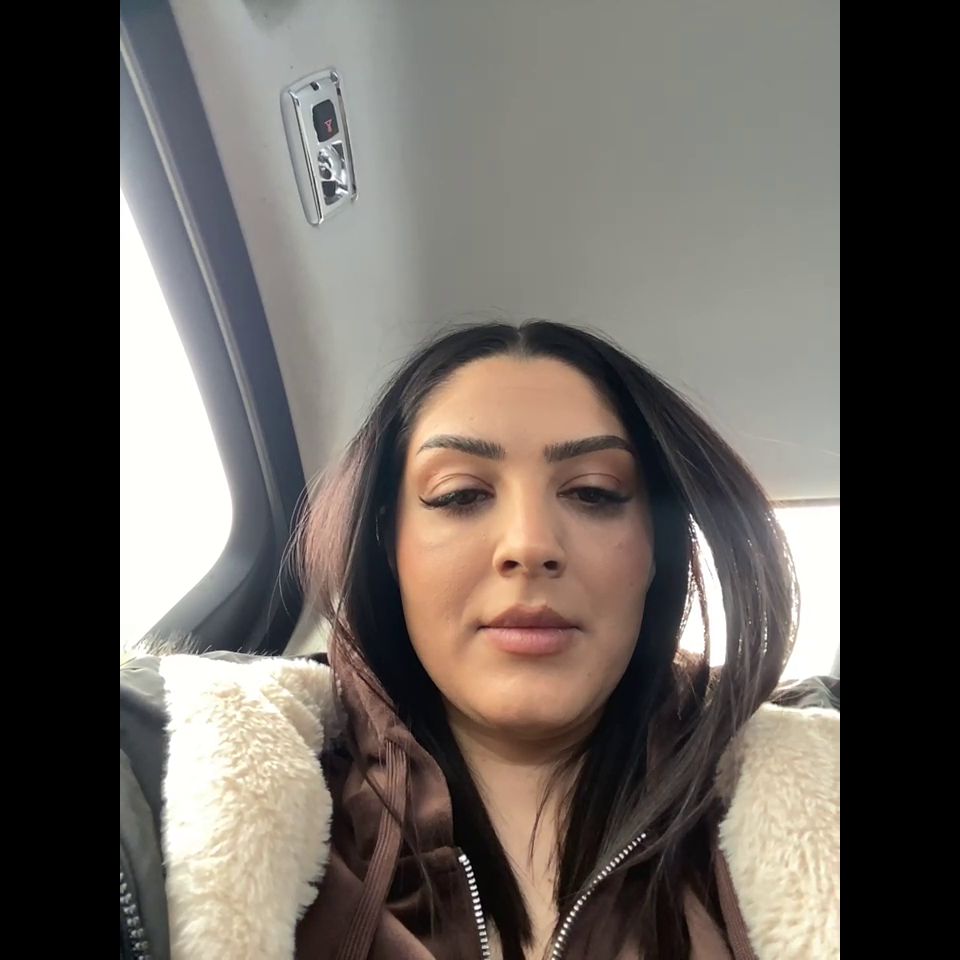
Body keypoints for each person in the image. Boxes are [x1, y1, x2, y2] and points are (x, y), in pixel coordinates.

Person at [120, 320, 839, 960]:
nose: (529, 545)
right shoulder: (181, 777)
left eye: (594, 491)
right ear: (388, 545)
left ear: (658, 550)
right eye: (460, 494)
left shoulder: (816, 782)